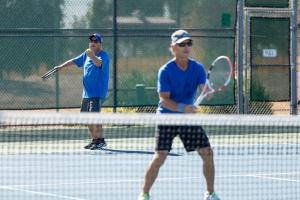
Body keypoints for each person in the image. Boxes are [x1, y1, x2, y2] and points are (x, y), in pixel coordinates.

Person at [138, 30, 220, 200]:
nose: (186, 47)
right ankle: (144, 194)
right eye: (182, 44)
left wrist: (208, 91)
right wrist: (183, 108)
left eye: (189, 43)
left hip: (187, 119)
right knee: (160, 157)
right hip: (167, 118)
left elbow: (205, 90)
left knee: (207, 153)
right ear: (173, 47)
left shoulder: (197, 68)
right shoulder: (165, 71)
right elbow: (164, 100)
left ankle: (210, 193)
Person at [53, 33, 109, 150]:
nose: (92, 43)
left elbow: (98, 63)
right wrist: (60, 67)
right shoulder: (86, 55)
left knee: (94, 116)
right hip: (87, 93)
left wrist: (92, 56)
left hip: (97, 93)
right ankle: (95, 140)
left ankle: (100, 140)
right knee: (85, 117)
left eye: (95, 41)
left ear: (100, 44)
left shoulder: (104, 56)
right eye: (91, 41)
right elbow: (74, 61)